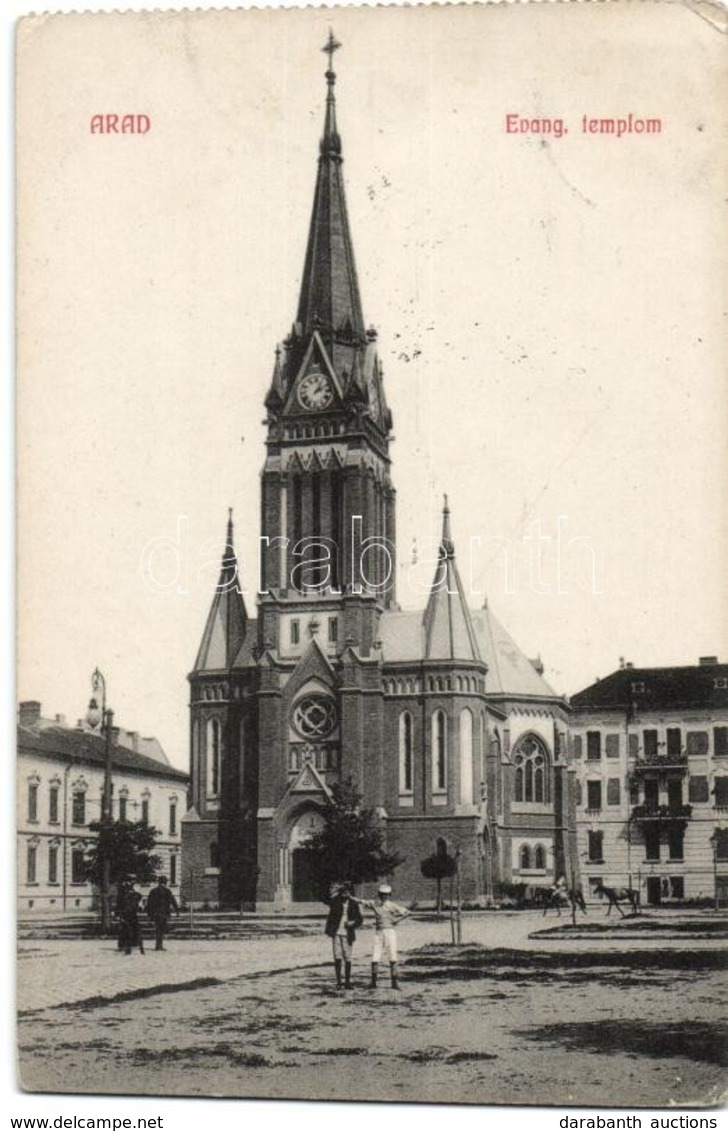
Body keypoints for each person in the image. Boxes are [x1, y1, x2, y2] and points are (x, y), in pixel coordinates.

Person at [353, 883, 411, 990]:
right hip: (378, 933)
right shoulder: (375, 904)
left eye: (387, 894)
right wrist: (350, 897)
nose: (385, 896)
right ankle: (373, 982)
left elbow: (407, 912)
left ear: (389, 895)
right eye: (383, 894)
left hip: (390, 932)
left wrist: (396, 920)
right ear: (380, 894)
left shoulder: (392, 905)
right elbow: (361, 901)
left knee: (392, 956)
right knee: (375, 957)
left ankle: (394, 983)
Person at [323, 881, 363, 990]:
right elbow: (325, 899)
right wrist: (335, 889)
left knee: (348, 957)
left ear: (351, 892)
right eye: (344, 891)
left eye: (348, 891)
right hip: (336, 933)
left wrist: (353, 923)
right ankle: (339, 982)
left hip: (347, 933)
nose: (345, 893)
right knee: (337, 956)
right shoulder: (335, 901)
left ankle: (347, 982)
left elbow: (360, 919)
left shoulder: (353, 903)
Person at [146, 875, 179, 951]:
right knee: (162, 929)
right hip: (164, 913)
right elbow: (173, 901)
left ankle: (158, 945)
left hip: (156, 913)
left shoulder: (153, 891)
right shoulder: (167, 891)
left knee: (157, 929)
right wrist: (177, 910)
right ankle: (160, 945)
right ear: (165, 882)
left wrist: (149, 914)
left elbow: (149, 903)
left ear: (159, 882)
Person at [116, 880, 145, 955]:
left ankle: (125, 947)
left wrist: (118, 914)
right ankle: (138, 948)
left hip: (126, 914)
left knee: (127, 930)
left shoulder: (123, 894)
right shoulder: (137, 895)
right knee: (133, 930)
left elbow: (119, 905)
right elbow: (140, 907)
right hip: (131, 914)